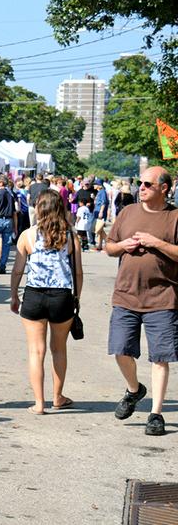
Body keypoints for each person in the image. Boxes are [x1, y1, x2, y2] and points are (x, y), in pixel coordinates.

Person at [104, 166, 178, 436]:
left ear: (164, 188)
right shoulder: (128, 212)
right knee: (121, 349)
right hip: (126, 294)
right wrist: (122, 246)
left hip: (163, 296)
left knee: (161, 357)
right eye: (140, 183)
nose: (141, 187)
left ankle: (156, 414)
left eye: (147, 183)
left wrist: (156, 243)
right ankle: (135, 390)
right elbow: (110, 247)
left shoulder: (174, 217)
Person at [9, 190, 82, 415]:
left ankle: (39, 403)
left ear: (39, 208)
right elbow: (78, 272)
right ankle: (57, 397)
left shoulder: (27, 235)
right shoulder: (71, 235)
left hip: (34, 296)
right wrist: (76, 297)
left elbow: (18, 269)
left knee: (36, 352)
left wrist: (14, 295)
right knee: (59, 350)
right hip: (61, 297)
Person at [0, 174, 18, 273]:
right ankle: (2, 266)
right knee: (6, 245)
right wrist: (16, 226)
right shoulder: (11, 195)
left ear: (1, 183)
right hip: (8, 220)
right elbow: (14, 212)